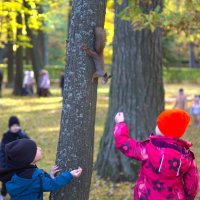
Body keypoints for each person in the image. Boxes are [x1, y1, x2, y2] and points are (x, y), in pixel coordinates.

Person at [113, 109, 198, 200]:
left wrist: (120, 123)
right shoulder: (187, 157)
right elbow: (192, 184)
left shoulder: (148, 149)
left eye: (159, 125)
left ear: (164, 130)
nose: (156, 126)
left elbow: (125, 145)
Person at [0, 138, 82, 200]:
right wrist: (70, 175)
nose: (39, 148)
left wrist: (50, 176)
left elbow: (40, 182)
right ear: (28, 158)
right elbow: (51, 185)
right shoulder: (31, 178)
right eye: (35, 149)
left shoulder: (21, 172)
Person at [0, 116, 29, 200]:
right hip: (8, 164)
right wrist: (3, 164)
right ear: (9, 127)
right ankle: (2, 194)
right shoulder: (6, 137)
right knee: (6, 181)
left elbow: (29, 144)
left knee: (19, 181)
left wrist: (23, 135)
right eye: (13, 126)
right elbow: (2, 151)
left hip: (20, 164)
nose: (15, 127)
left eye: (17, 125)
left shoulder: (21, 135)